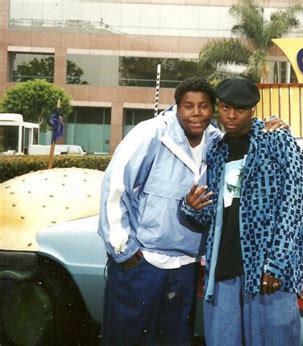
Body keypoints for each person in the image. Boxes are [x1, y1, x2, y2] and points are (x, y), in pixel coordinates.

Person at [97, 77, 287, 345]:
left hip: (186, 266)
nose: (196, 114)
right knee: (127, 339)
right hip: (144, 263)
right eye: (188, 106)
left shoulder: (216, 142)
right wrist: (124, 251)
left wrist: (275, 124)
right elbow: (116, 187)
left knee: (174, 340)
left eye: (204, 107)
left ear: (213, 109)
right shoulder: (151, 133)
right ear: (177, 107)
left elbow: (246, 131)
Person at [180, 77, 303, 346]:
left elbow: (293, 206)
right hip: (224, 268)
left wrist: (276, 264)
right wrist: (189, 207)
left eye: (240, 110)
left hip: (265, 270)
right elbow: (214, 211)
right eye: (225, 108)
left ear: (252, 110)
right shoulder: (216, 149)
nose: (231, 116)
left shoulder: (278, 141)